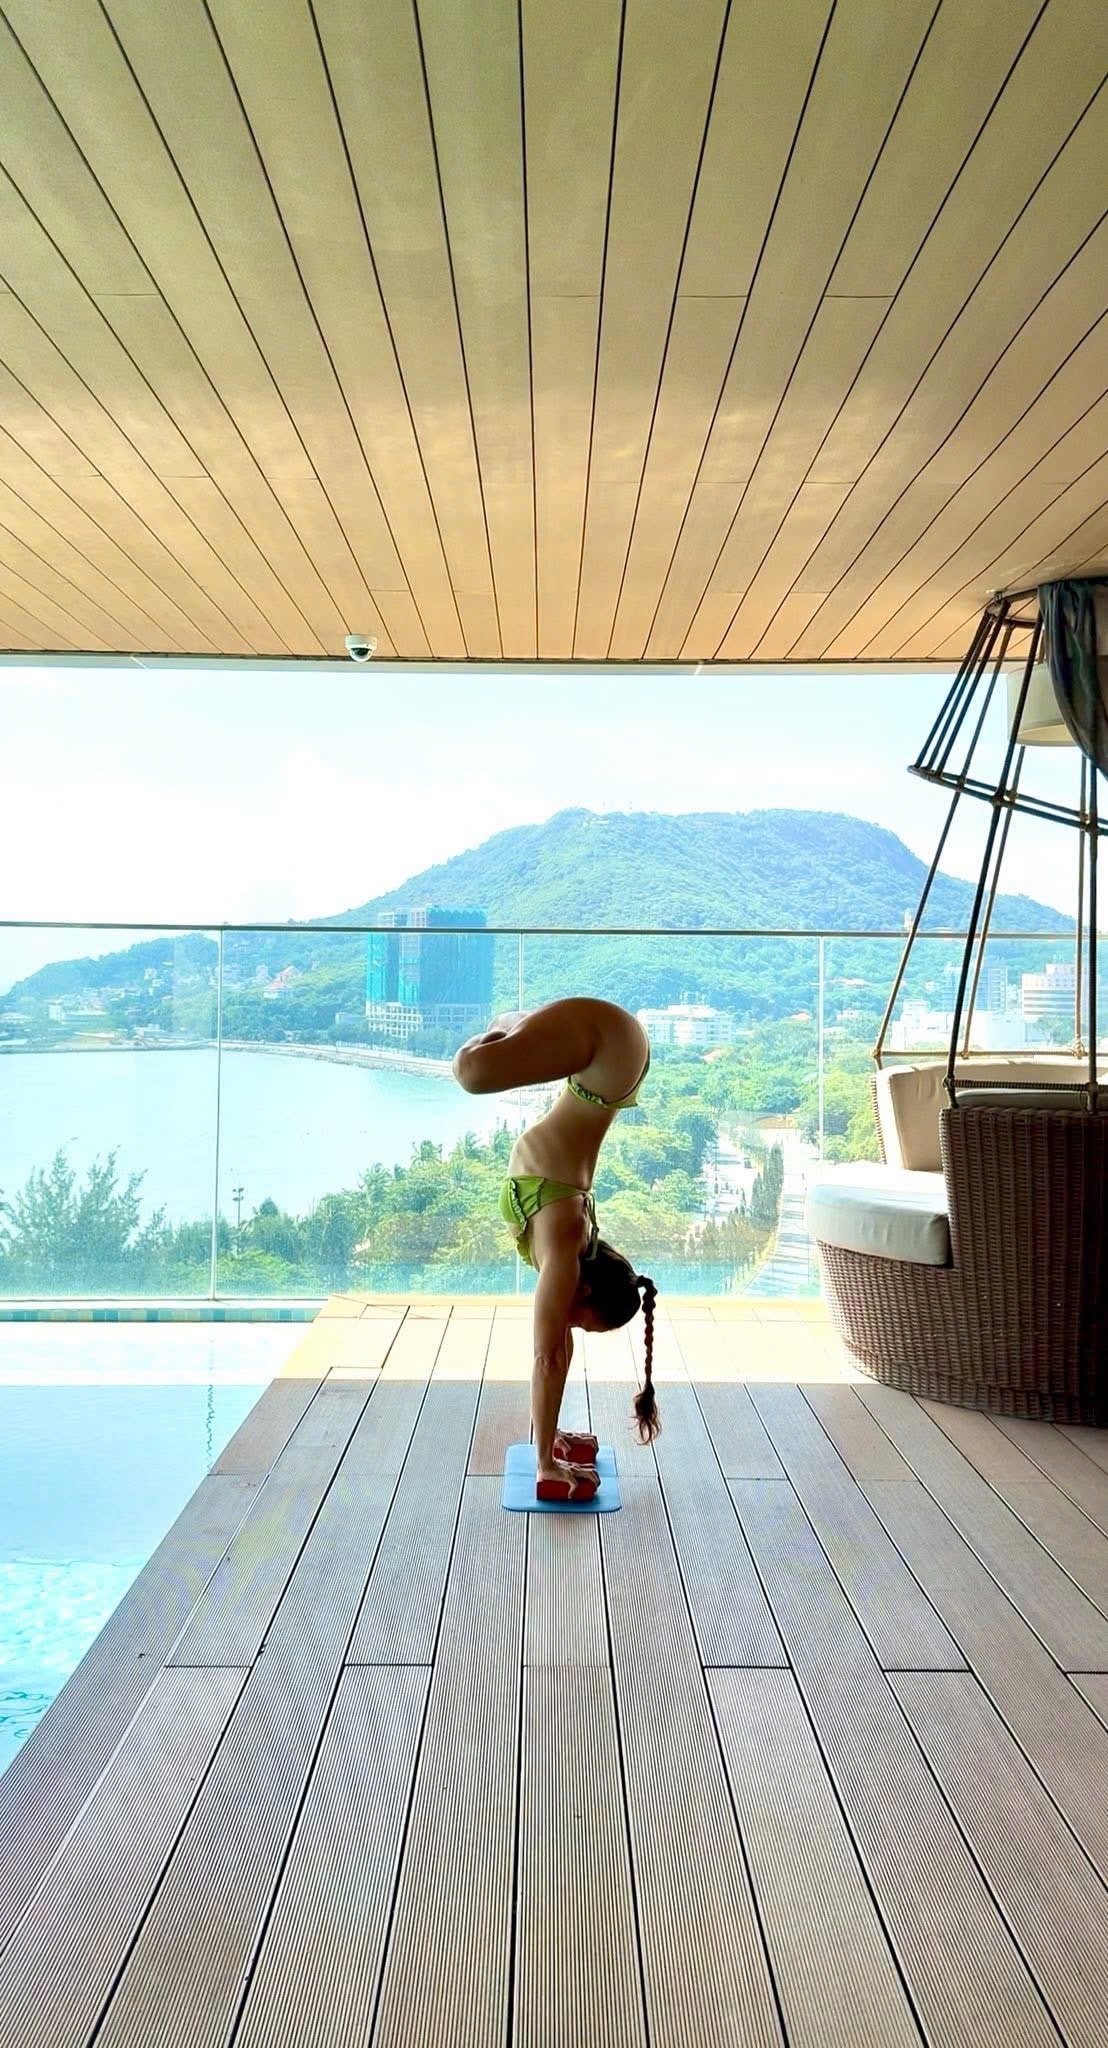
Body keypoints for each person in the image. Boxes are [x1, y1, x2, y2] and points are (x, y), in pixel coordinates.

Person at [453, 997, 659, 1502]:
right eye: (584, 1321)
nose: (573, 1329)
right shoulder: (566, 1250)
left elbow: (557, 1352)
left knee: (493, 1062)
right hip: (612, 1051)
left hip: (614, 1065)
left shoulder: (574, 1248)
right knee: (472, 1071)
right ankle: (508, 1020)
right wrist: (544, 1463)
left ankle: (515, 1023)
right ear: (585, 1290)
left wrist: (553, 1437)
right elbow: (549, 1357)